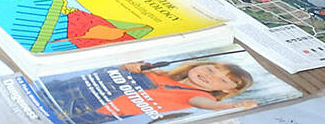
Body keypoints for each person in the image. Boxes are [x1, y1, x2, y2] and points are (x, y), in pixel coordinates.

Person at [95, 59, 256, 116]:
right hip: (88, 90)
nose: (210, 75)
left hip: (102, 114)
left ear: (227, 91)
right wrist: (128, 66)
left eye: (222, 80)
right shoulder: (159, 73)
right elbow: (112, 71)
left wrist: (235, 106)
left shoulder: (201, 97)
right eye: (210, 69)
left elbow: (212, 106)